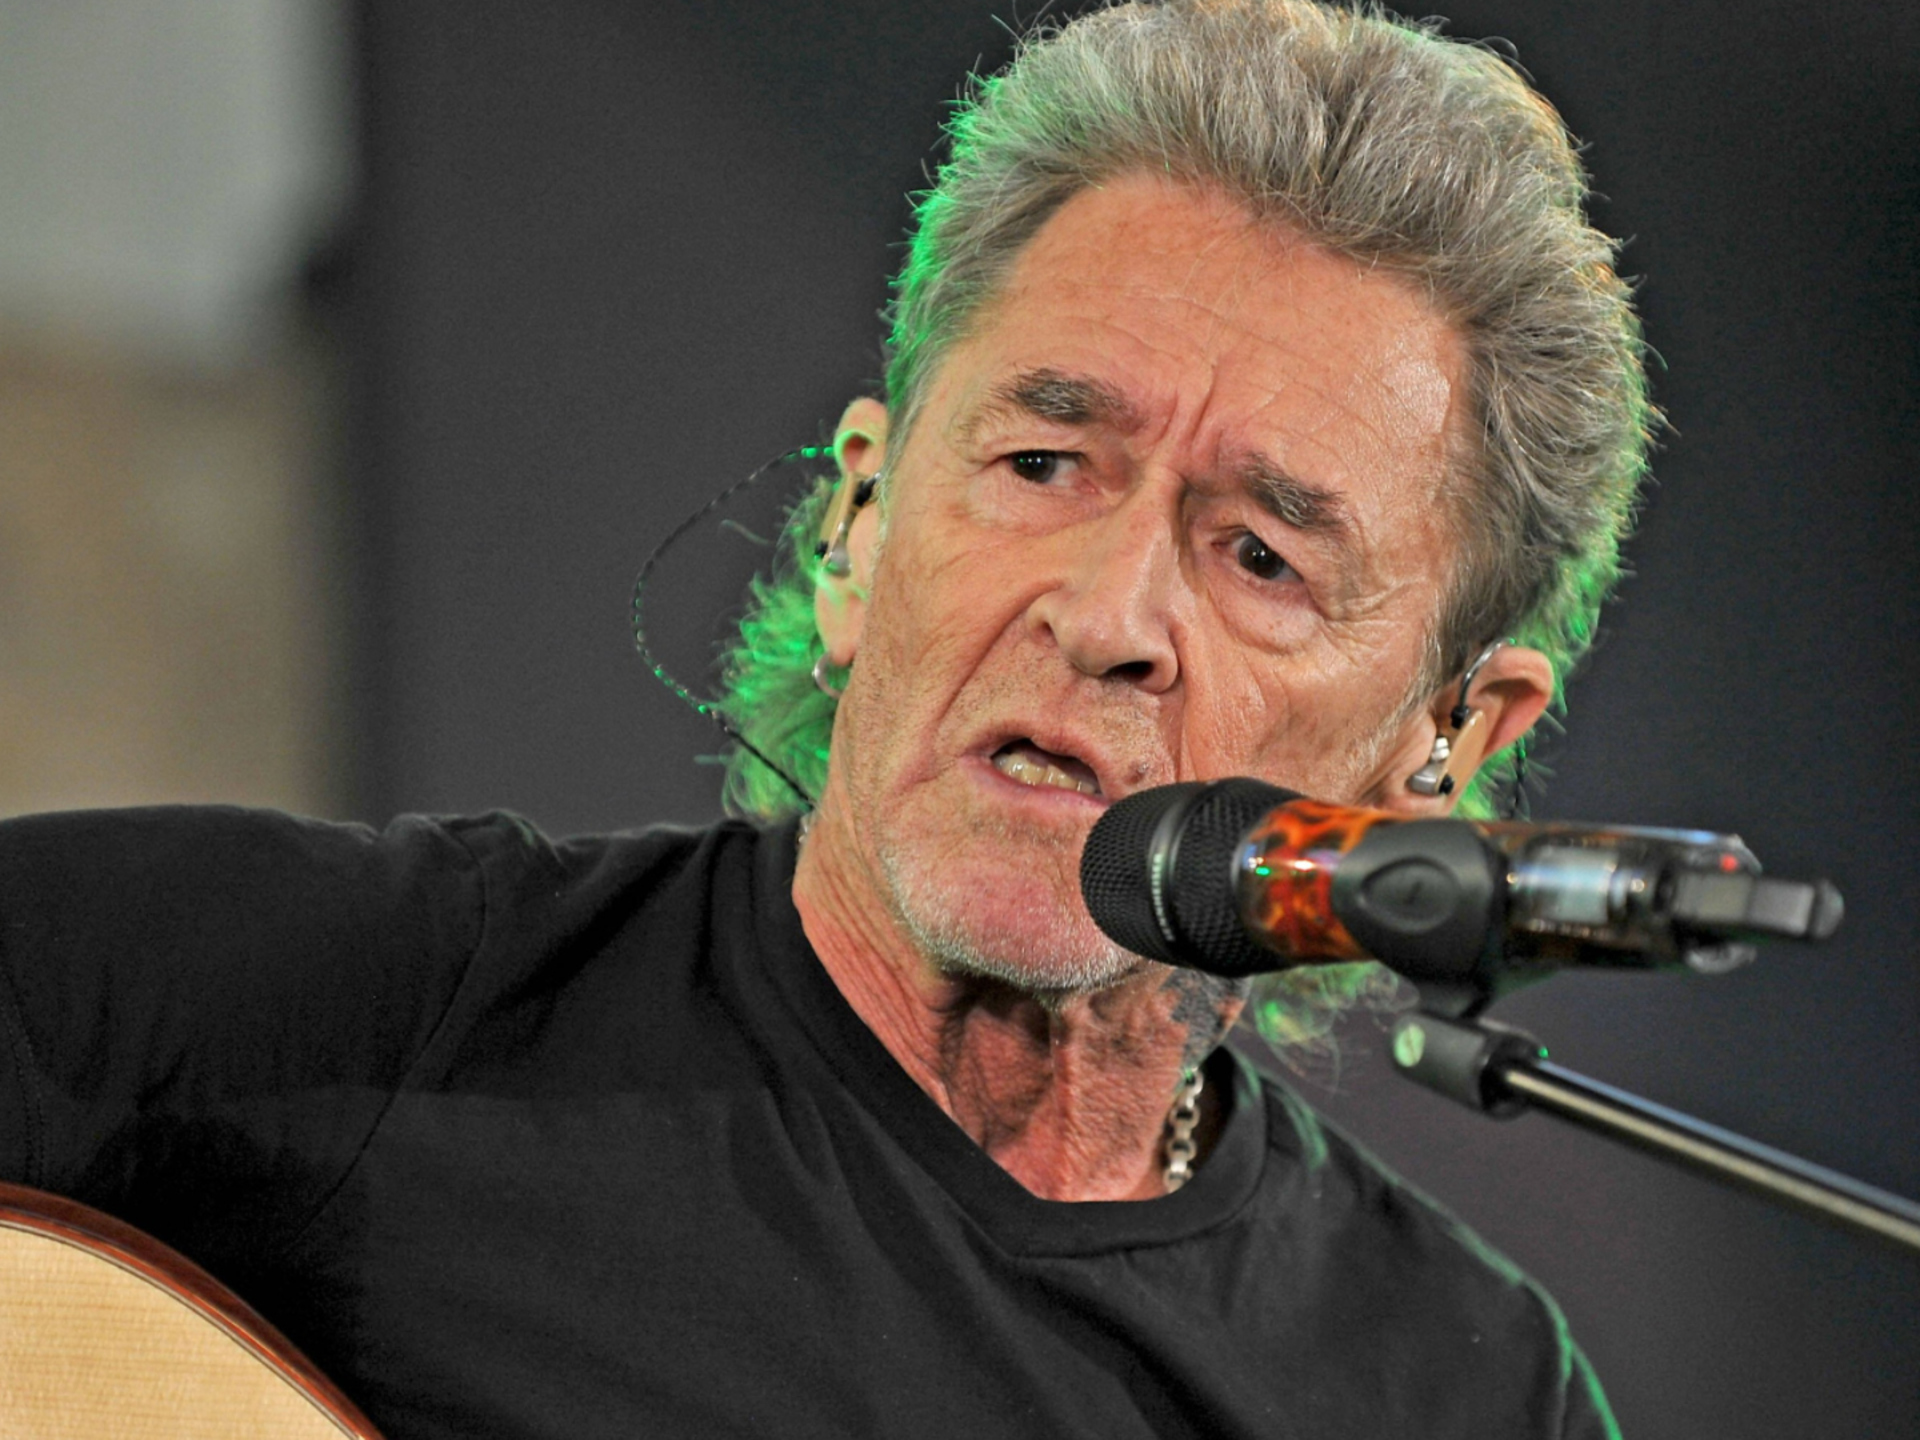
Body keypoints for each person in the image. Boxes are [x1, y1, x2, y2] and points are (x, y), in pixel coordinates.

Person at [0, 2, 1647, 1435]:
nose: (1107, 618)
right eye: (1041, 464)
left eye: (1263, 557)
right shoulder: (374, 1024)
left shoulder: (1461, 1389)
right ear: (861, 523)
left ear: (1448, 742)